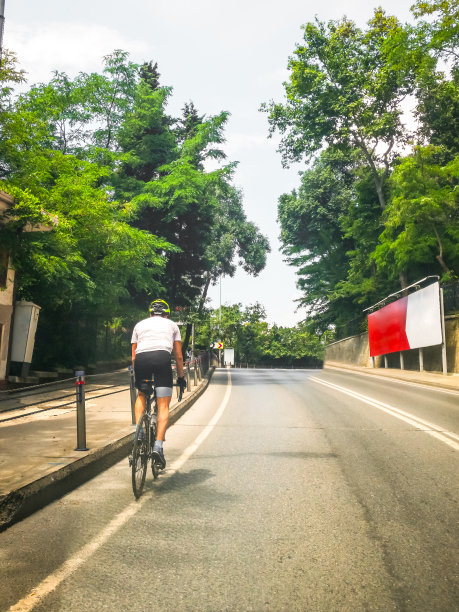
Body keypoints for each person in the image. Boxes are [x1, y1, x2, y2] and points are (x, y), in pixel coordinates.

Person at [131, 299, 186, 469]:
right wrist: (181, 377)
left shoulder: (139, 325)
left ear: (149, 313)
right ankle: (158, 447)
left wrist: (138, 376)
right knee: (163, 405)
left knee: (141, 395)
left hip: (141, 360)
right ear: (166, 314)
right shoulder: (172, 325)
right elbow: (178, 355)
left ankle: (139, 433)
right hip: (162, 359)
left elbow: (133, 356)